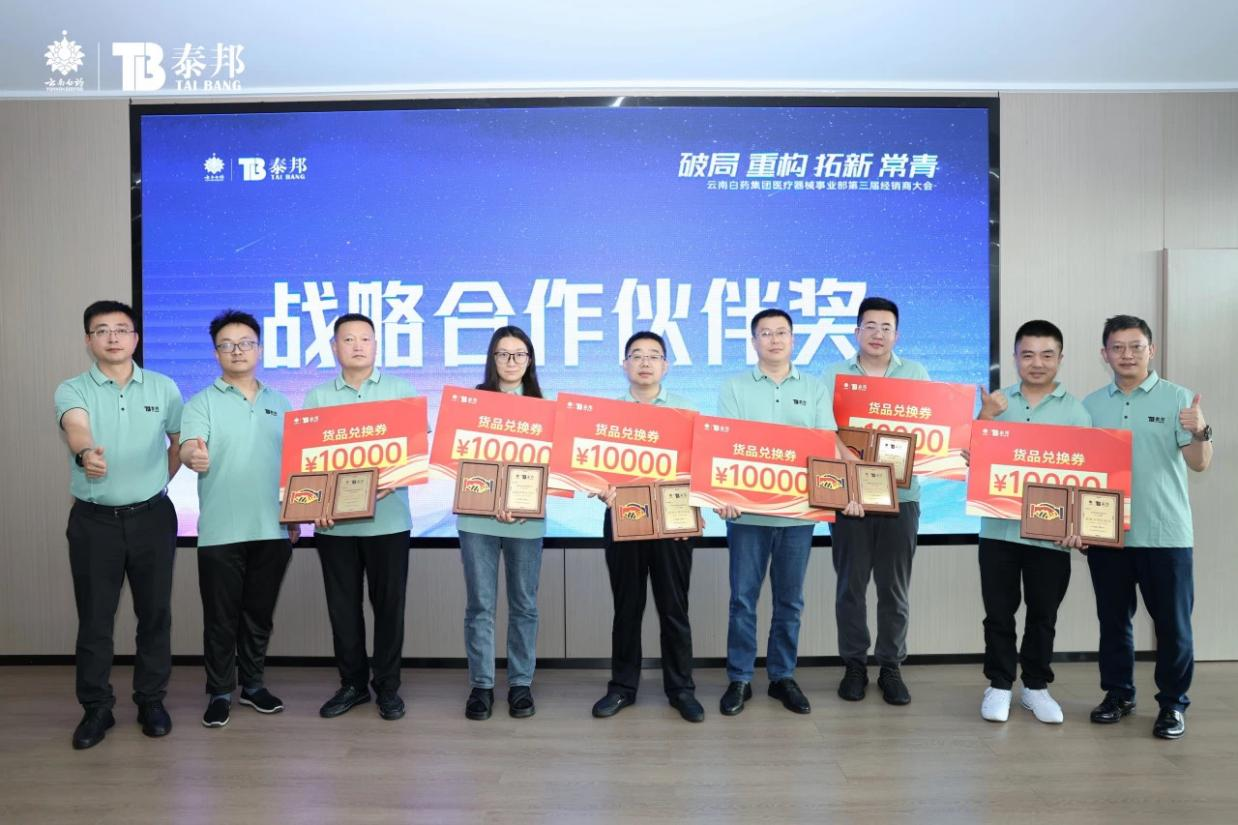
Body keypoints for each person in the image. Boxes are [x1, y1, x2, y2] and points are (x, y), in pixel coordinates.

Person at [55, 300, 183, 750]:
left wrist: (154, 484)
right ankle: (97, 708)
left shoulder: (164, 386)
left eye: (122, 329)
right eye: (102, 330)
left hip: (153, 518)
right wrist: (85, 453)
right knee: (95, 618)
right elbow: (76, 428)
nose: (113, 337)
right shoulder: (73, 389)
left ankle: (151, 701)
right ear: (88, 340)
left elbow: (178, 443)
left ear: (135, 338)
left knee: (155, 615)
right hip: (95, 522)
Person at [715, 308, 855, 717]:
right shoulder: (734, 387)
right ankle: (740, 678)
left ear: (793, 340)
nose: (774, 340)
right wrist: (723, 493)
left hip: (797, 515)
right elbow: (724, 447)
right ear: (753, 341)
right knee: (743, 600)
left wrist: (850, 485)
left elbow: (826, 445)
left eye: (781, 333)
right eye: (765, 333)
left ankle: (782, 676)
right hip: (747, 516)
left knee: (790, 601)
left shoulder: (813, 388)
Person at [1081, 315, 1211, 739]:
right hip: (1108, 534)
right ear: (1104, 354)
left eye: (1136, 346)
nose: (1127, 354)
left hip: (1165, 533)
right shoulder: (1089, 406)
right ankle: (1118, 694)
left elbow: (1199, 463)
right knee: (1113, 622)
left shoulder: (1178, 399)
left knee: (1173, 626)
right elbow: (1080, 470)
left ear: (1150, 350)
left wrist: (1201, 431)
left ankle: (1173, 704)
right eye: (1117, 347)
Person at [179, 310, 296, 728]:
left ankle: (253, 685)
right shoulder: (201, 402)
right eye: (227, 345)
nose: (237, 351)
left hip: (272, 527)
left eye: (245, 343)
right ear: (216, 353)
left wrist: (295, 515)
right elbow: (189, 448)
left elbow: (293, 466)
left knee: (258, 615)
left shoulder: (280, 403)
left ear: (259, 349)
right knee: (220, 618)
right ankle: (219, 691)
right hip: (221, 531)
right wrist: (193, 455)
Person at [973, 320, 1091, 724]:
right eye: (1027, 355)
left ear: (1060, 358)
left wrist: (1079, 526)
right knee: (998, 612)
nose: (1037, 363)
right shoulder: (996, 404)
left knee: (1043, 614)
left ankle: (1036, 687)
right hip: (999, 530)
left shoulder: (1076, 412)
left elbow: (1087, 476)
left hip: (1051, 538)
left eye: (1046, 355)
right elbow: (971, 459)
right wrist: (984, 417)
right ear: (1014, 358)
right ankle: (999, 684)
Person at [304, 313, 416, 721]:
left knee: (389, 608)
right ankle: (352, 684)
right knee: (343, 608)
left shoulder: (401, 391)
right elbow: (307, 460)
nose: (356, 346)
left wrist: (393, 478)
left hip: (389, 521)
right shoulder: (318, 397)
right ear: (334, 347)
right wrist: (315, 506)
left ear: (375, 346)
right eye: (347, 339)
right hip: (334, 525)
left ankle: (387, 687)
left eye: (364, 339)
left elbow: (414, 453)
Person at [590, 331, 703, 723]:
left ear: (665, 366)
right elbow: (592, 467)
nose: (644, 362)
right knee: (627, 608)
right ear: (624, 365)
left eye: (653, 356)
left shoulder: (687, 411)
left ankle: (681, 689)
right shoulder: (608, 415)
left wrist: (692, 510)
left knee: (674, 608)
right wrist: (599, 487)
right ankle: (622, 687)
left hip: (673, 524)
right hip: (624, 519)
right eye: (636, 355)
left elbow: (700, 468)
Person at [822, 297, 928, 706]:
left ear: (896, 335)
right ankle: (854, 665)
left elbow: (932, 431)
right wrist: (847, 468)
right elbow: (821, 430)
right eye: (870, 326)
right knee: (850, 587)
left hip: (902, 497)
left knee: (894, 590)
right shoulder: (833, 375)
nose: (878, 334)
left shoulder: (915, 374)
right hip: (849, 498)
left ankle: (890, 667)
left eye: (886, 327)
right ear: (856, 332)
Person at [458, 326, 547, 721]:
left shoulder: (545, 408)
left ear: (529, 361)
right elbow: (458, 458)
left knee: (524, 605)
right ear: (492, 359)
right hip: (477, 519)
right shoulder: (471, 403)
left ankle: (520, 684)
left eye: (519, 354)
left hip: (526, 521)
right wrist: (491, 499)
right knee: (480, 605)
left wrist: (521, 501)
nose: (511, 361)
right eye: (503, 354)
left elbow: (552, 468)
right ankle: (481, 685)